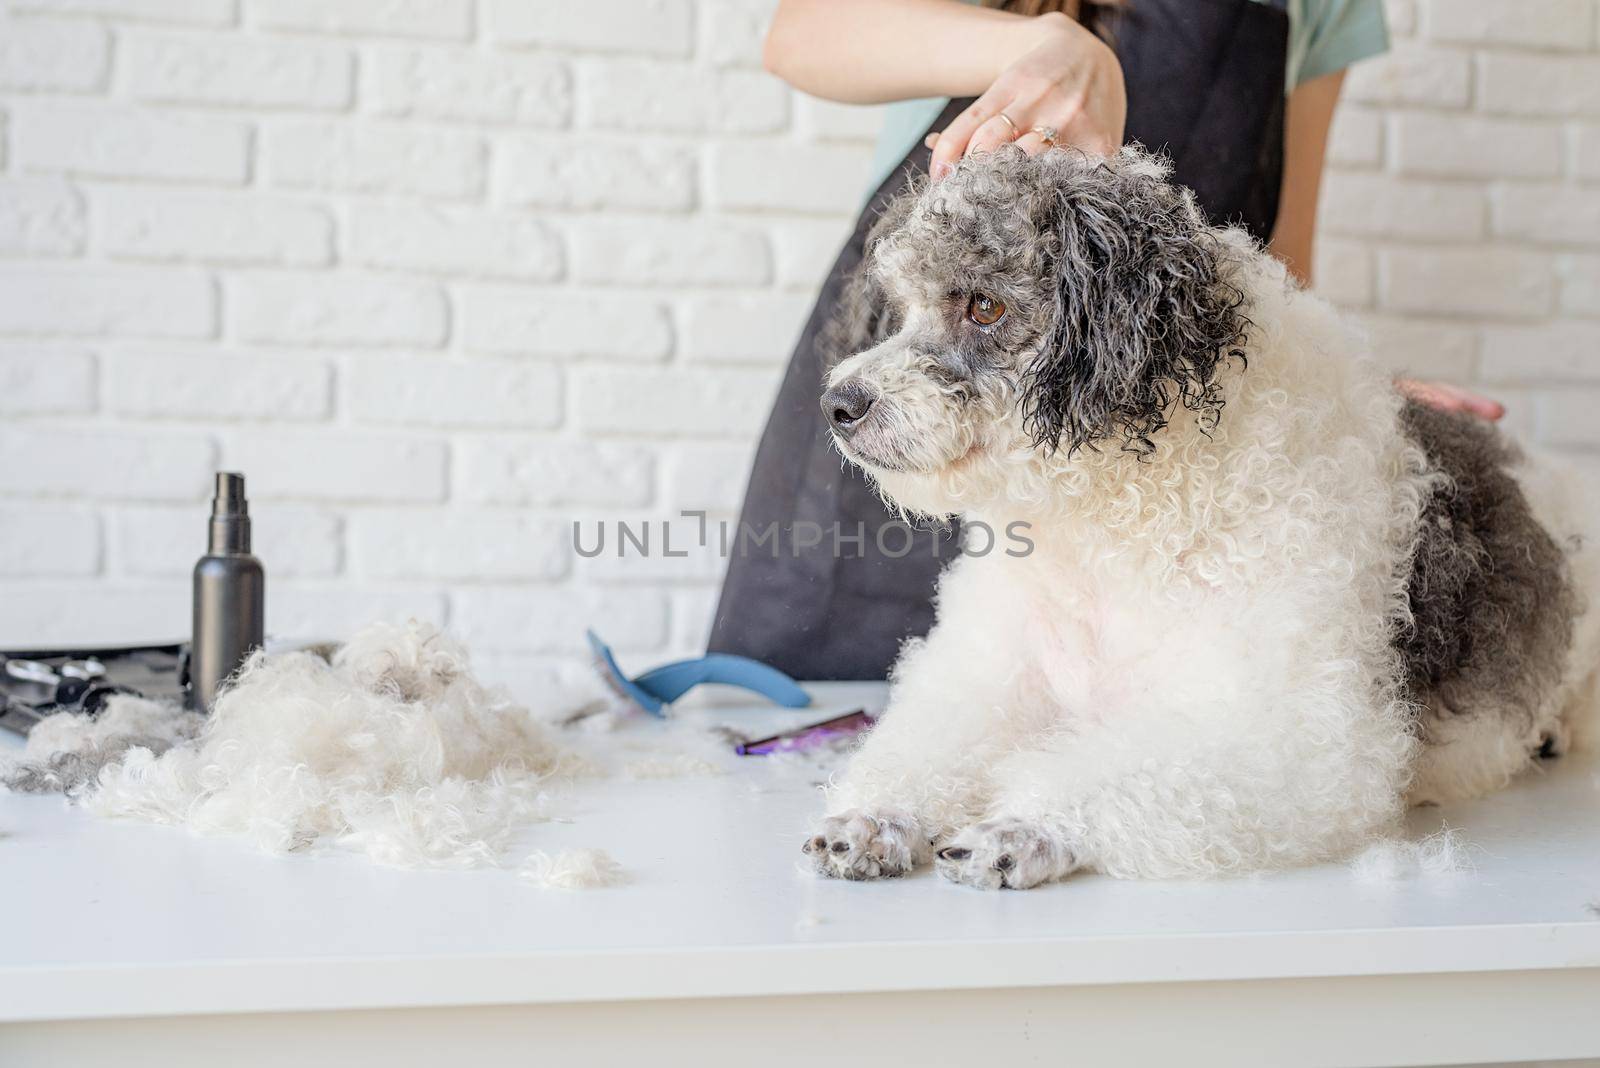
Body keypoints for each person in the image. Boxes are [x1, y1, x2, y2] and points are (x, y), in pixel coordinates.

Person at [708, 0, 1501, 680]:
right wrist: (1042, 44)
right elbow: (802, 31)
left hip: (1124, 485)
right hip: (899, 397)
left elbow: (1280, 265)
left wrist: (1347, 389)